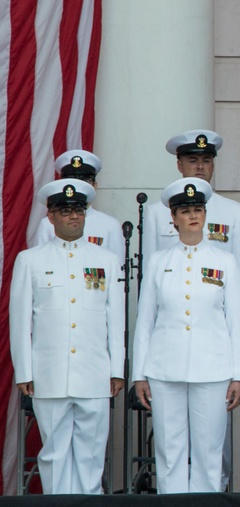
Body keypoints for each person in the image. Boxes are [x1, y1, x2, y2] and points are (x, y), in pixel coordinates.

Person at [132, 177, 240, 494]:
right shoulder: (158, 262)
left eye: (198, 209)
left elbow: (235, 321)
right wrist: (139, 374)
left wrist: (239, 374)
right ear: (173, 218)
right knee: (170, 453)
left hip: (212, 369)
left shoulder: (225, 262)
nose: (193, 215)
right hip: (164, 368)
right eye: (185, 211)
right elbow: (145, 321)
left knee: (209, 453)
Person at [9, 180, 124, 494]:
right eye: (65, 210)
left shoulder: (106, 261)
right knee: (54, 455)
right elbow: (19, 321)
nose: (73, 216)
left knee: (91, 455)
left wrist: (116, 370)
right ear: (50, 216)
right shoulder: (30, 260)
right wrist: (25, 371)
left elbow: (115, 321)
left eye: (78, 210)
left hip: (94, 373)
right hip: (50, 373)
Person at [144, 130, 240, 328]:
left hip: (216, 322)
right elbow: (148, 275)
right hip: (170, 322)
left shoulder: (236, 213)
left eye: (206, 160)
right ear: (180, 165)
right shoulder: (156, 212)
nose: (199, 166)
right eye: (193, 160)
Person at [31, 149, 125, 260]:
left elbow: (118, 268)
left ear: (94, 185)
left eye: (84, 182)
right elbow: (38, 262)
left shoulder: (110, 225)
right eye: (71, 181)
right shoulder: (47, 224)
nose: (76, 186)